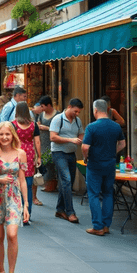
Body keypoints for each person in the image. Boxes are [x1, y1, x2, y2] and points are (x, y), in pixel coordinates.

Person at [0, 122, 29, 273]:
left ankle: (11, 271)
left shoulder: (21, 153)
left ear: (13, 135)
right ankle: (1, 270)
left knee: (12, 234)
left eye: (7, 134)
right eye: (1, 134)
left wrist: (26, 204)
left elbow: (23, 180)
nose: (4, 137)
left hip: (13, 196)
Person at [81, 99, 125, 236]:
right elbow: (122, 144)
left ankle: (97, 226)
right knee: (108, 193)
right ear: (107, 109)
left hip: (95, 163)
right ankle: (106, 225)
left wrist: (85, 157)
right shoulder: (116, 126)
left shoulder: (91, 127)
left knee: (93, 194)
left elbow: (84, 146)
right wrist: (113, 153)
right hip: (110, 163)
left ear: (95, 110)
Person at [49, 98, 84, 224]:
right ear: (69, 107)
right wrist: (71, 140)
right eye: (75, 111)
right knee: (67, 180)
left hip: (71, 154)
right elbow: (52, 137)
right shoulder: (58, 119)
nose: (77, 114)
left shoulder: (77, 121)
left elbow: (81, 133)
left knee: (68, 182)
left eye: (79, 112)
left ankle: (59, 209)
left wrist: (80, 140)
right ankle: (70, 212)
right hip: (59, 153)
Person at [12, 102, 41, 223]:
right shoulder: (34, 125)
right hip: (29, 155)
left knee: (16, 184)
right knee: (28, 185)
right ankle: (27, 213)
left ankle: (17, 211)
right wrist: (39, 157)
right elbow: (37, 142)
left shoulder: (13, 125)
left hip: (16, 154)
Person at [36, 95, 59, 195]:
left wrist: (46, 128)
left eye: (43, 106)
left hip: (53, 141)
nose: (42, 108)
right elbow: (38, 123)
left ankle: (52, 185)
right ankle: (46, 184)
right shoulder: (41, 114)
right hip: (43, 141)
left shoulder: (57, 115)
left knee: (52, 163)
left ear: (49, 105)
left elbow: (59, 129)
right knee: (44, 162)